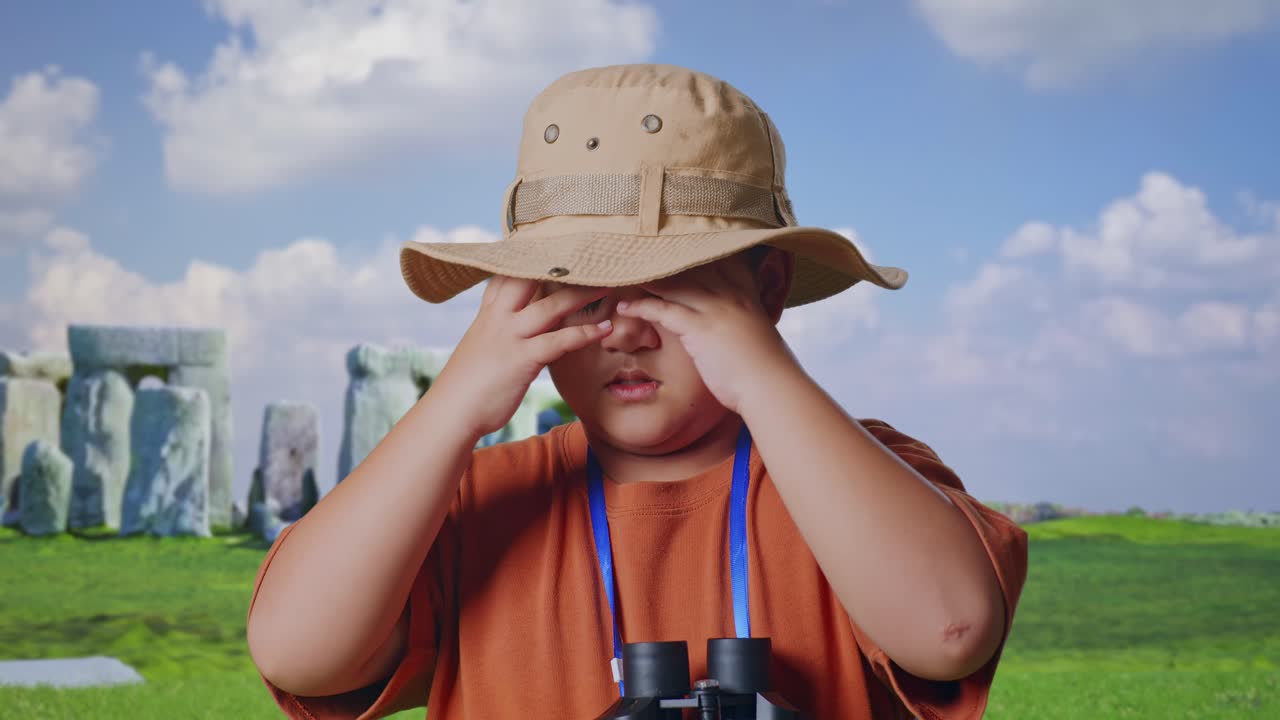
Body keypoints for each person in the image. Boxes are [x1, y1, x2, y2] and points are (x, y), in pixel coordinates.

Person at [246, 63, 1029, 719]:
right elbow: (297, 653)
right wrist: (453, 406)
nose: (623, 331)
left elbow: (950, 628)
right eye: (576, 291)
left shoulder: (860, 473)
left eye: (673, 291)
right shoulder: (467, 503)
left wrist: (764, 373)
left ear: (769, 289)